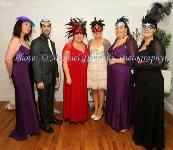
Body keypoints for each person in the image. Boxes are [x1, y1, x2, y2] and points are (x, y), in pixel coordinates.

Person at [132, 2, 172, 150]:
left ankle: (151, 140)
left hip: (153, 83)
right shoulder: (142, 42)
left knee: (151, 111)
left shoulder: (157, 43)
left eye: (149, 27)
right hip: (142, 83)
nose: (146, 29)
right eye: (144, 27)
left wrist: (141, 63)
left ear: (154, 29)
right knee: (143, 109)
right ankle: (142, 137)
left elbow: (159, 63)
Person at [5, 16, 40, 140]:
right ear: (19, 25)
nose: (29, 27)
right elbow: (8, 59)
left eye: (30, 26)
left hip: (27, 75)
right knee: (23, 100)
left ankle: (30, 127)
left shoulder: (25, 41)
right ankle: (23, 130)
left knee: (29, 100)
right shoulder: (15, 40)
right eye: (26, 24)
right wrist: (11, 73)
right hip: (20, 75)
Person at [105, 16, 137, 132]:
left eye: (121, 27)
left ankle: (122, 123)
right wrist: (110, 59)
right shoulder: (117, 39)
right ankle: (112, 119)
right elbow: (112, 53)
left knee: (120, 96)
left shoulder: (130, 41)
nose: (119, 29)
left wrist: (116, 60)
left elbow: (132, 59)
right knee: (114, 94)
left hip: (123, 75)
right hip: (113, 75)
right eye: (117, 27)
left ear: (126, 29)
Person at [30, 19, 63, 133]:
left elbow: (54, 60)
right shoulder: (36, 42)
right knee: (43, 101)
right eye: (44, 26)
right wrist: (38, 80)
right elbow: (35, 62)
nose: (46, 28)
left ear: (51, 28)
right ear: (41, 28)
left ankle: (51, 118)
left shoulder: (51, 43)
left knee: (50, 99)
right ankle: (44, 123)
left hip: (52, 77)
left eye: (48, 26)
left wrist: (57, 75)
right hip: (43, 78)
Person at [62, 18, 89, 123]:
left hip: (83, 76)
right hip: (73, 76)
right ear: (73, 34)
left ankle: (81, 116)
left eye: (81, 33)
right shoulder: (69, 46)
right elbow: (64, 62)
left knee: (81, 95)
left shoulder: (85, 46)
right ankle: (73, 117)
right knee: (74, 96)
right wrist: (68, 76)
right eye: (77, 33)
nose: (79, 36)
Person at [87, 18, 111, 120]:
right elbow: (88, 55)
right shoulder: (90, 42)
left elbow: (109, 58)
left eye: (99, 29)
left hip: (102, 68)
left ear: (102, 30)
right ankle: (96, 109)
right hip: (92, 68)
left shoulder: (106, 42)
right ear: (92, 31)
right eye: (94, 30)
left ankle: (100, 110)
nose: (97, 31)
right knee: (94, 90)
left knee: (101, 90)